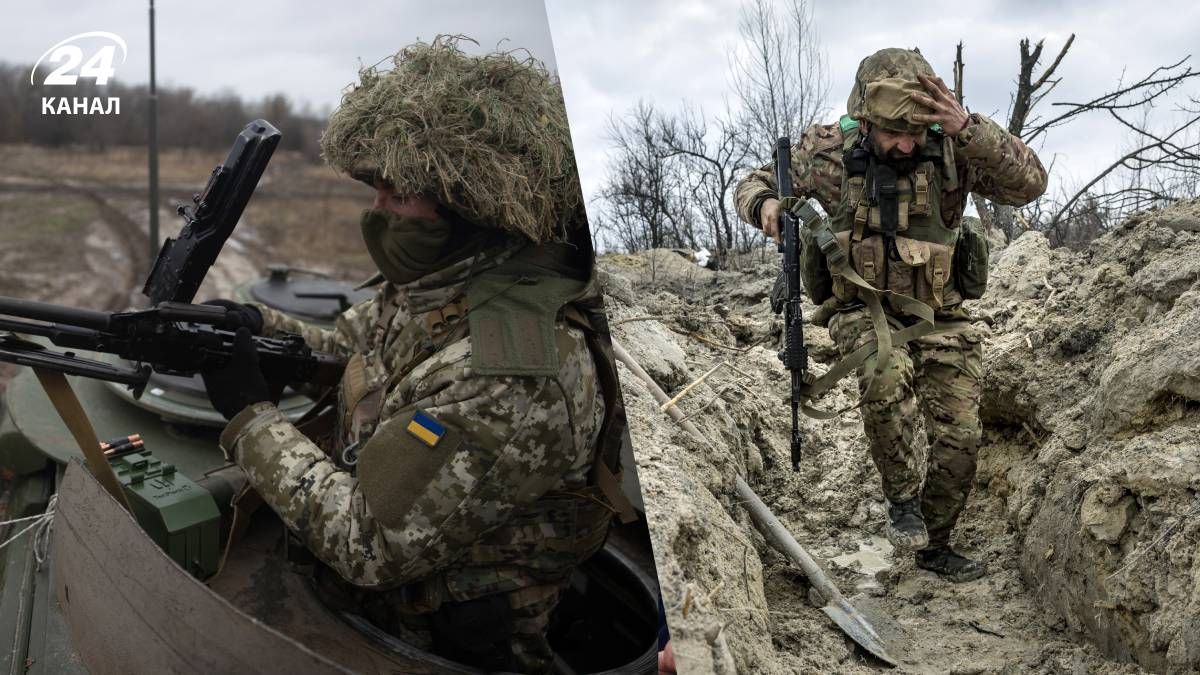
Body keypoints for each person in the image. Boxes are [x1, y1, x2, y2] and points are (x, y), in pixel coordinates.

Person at [200, 37, 634, 673]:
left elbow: (367, 542)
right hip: (389, 607)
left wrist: (250, 417)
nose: (377, 212)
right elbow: (359, 342)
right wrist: (258, 328)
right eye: (376, 189)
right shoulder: (446, 277)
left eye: (397, 196)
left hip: (445, 645)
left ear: (469, 209)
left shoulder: (512, 372)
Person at [734, 47, 1047, 582]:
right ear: (866, 120)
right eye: (893, 133)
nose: (907, 144)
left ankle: (936, 540)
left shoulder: (953, 146)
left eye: (915, 132)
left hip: (940, 314)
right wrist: (763, 204)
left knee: (962, 435)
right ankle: (901, 499)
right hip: (861, 307)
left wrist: (970, 128)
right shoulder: (827, 154)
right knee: (884, 371)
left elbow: (1029, 184)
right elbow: (751, 184)